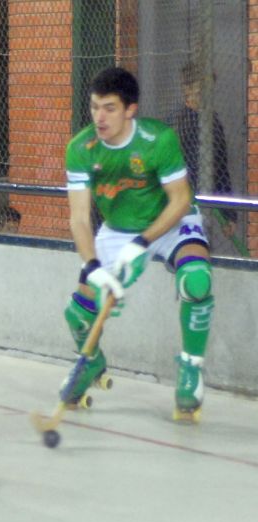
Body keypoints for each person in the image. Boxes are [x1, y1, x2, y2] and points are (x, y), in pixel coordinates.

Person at [60, 66, 214, 422]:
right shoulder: (81, 148)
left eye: (110, 108)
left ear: (130, 109)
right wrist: (94, 268)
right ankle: (91, 361)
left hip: (171, 220)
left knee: (197, 281)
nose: (100, 117)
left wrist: (142, 243)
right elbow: (80, 218)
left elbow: (179, 199)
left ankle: (191, 369)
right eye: (95, 106)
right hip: (117, 229)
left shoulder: (158, 140)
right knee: (78, 314)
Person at [170, 61, 240, 253]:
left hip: (205, 203)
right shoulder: (180, 122)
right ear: (189, 89)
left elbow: (221, 168)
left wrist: (229, 214)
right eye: (201, 88)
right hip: (183, 202)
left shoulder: (213, 121)